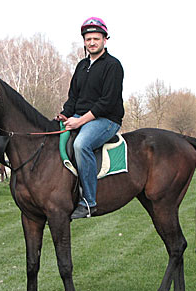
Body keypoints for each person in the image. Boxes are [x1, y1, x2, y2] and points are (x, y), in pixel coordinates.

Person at [56, 17, 125, 219]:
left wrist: (79, 121)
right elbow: (73, 98)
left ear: (105, 39)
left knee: (81, 144)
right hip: (80, 116)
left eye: (96, 38)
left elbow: (107, 102)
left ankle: (88, 201)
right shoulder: (81, 66)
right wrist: (65, 114)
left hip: (106, 120)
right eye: (88, 39)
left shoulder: (113, 66)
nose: (92, 42)